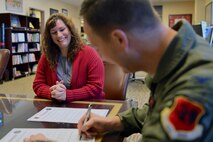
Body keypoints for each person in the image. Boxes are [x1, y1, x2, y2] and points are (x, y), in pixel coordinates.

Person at [77, 0, 213, 141]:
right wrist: (113, 123)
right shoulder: (182, 49)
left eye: (97, 47)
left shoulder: (193, 91)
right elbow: (153, 112)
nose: (100, 56)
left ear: (119, 39)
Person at [33, 13, 105, 101]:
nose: (59, 35)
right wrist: (52, 92)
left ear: (70, 30)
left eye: (62, 29)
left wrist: (67, 95)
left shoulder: (90, 53)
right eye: (54, 32)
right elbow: (38, 84)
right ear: (50, 37)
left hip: (88, 106)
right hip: (58, 108)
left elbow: (96, 87)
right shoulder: (46, 57)